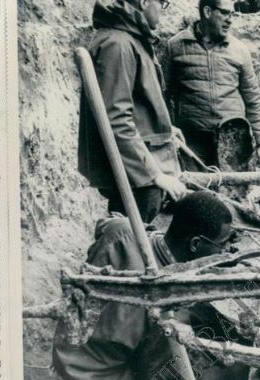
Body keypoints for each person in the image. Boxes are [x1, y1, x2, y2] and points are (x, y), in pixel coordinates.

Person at [52, 192, 245, 380]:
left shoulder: (125, 233)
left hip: (75, 371)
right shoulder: (155, 307)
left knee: (201, 369)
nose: (227, 252)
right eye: (222, 246)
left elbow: (108, 224)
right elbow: (150, 376)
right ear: (195, 245)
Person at [78, 0, 188, 223]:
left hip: (138, 169)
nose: (163, 11)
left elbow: (137, 102)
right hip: (136, 175)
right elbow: (115, 119)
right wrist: (154, 175)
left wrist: (166, 129)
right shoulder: (118, 44)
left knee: (134, 239)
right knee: (132, 243)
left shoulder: (129, 39)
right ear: (145, 2)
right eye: (162, 3)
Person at [164, 0, 260, 168]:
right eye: (225, 13)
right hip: (192, 142)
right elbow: (163, 94)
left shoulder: (240, 50)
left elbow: (253, 99)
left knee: (233, 192)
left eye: (232, 14)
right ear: (207, 11)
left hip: (233, 142)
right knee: (197, 192)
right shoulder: (175, 46)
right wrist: (167, 130)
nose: (230, 19)